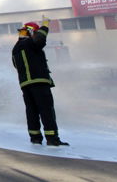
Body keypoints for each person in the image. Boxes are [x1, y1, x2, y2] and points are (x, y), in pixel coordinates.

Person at [12, 18, 69, 146]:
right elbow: (40, 39)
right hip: (39, 82)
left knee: (31, 111)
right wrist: (45, 26)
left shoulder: (16, 49)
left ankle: (35, 138)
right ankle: (52, 139)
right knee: (46, 110)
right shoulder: (30, 43)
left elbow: (16, 66)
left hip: (25, 85)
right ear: (32, 32)